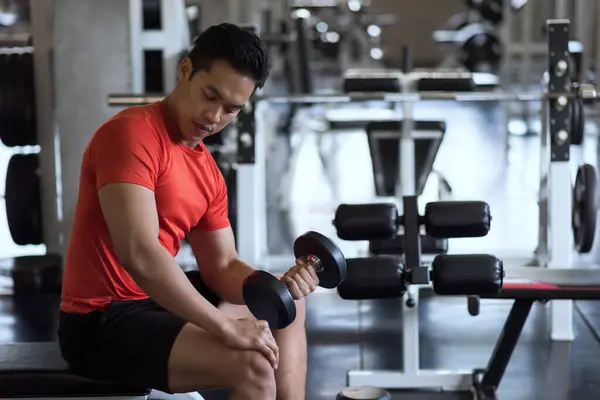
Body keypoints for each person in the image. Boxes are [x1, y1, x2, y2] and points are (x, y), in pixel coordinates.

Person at [58, 23, 317, 400]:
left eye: (231, 109)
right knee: (253, 366)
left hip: (154, 305)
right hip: (102, 321)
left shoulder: (206, 171)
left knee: (287, 306)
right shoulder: (133, 135)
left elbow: (223, 267)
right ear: (185, 71)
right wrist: (225, 329)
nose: (214, 117)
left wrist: (279, 284)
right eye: (210, 95)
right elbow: (139, 253)